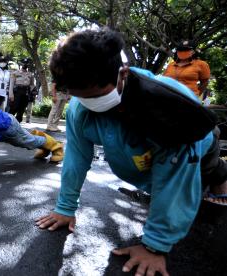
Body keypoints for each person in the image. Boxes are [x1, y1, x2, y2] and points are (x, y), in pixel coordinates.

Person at [35, 29, 227, 276]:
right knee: (159, 181)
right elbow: (76, 158)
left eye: (95, 95)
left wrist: (155, 247)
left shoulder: (168, 108)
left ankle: (222, 178)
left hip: (197, 140)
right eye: (80, 97)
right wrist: (65, 207)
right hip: (145, 158)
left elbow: (175, 178)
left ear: (122, 74)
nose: (89, 104)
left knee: (205, 172)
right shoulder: (79, 110)